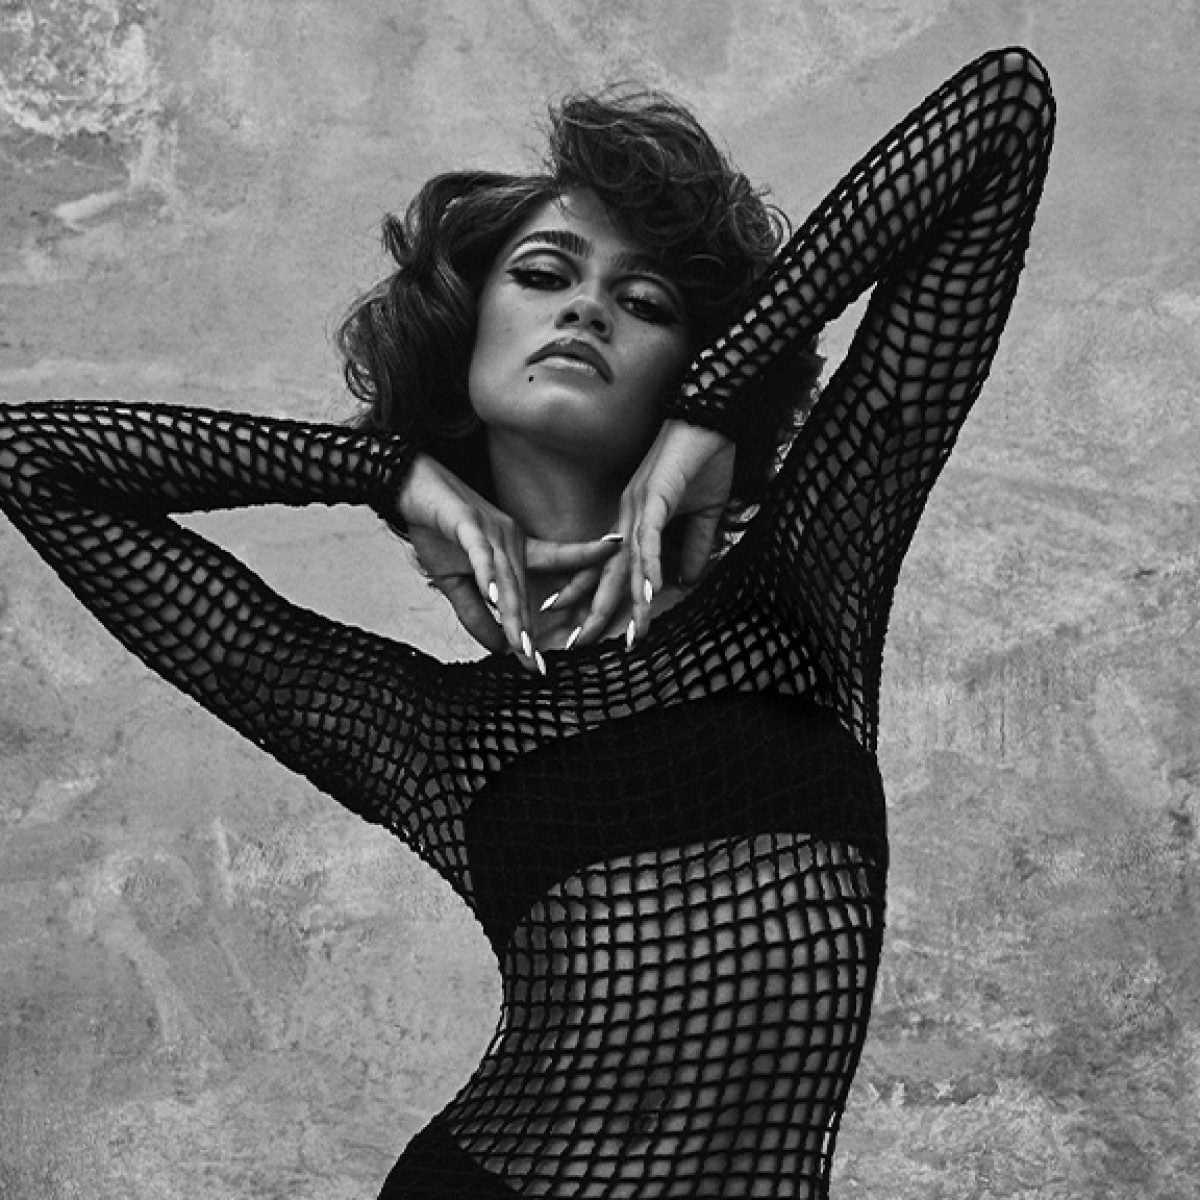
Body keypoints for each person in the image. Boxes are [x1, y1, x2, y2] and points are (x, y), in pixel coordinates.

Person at [0, 46, 1054, 1200]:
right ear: (465, 340)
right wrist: (382, 470)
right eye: (545, 275)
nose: (589, 307)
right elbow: (30, 459)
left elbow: (1001, 114)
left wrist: (715, 398)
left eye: (645, 302)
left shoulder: (807, 587)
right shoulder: (425, 734)